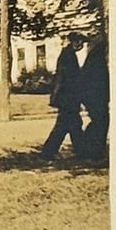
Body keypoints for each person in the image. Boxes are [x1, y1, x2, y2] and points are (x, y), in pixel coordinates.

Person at [40, 31, 86, 160]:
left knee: (72, 125)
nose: (82, 46)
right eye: (80, 43)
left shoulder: (68, 54)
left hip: (68, 97)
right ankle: (48, 152)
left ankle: (80, 151)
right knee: (66, 125)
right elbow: (66, 79)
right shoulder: (68, 56)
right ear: (75, 42)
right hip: (68, 97)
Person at [78, 33, 109, 159]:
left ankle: (92, 149)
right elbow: (97, 79)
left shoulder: (93, 57)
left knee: (99, 122)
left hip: (95, 96)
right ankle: (94, 151)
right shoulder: (97, 58)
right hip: (96, 97)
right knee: (101, 122)